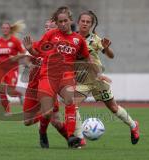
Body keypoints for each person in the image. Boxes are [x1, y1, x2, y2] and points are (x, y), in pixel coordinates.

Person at [23, 6, 107, 148]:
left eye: (65, 21)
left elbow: (88, 59)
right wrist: (30, 49)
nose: (62, 24)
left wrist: (98, 74)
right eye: (60, 21)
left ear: (70, 20)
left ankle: (70, 136)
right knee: (47, 113)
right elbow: (38, 51)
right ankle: (42, 133)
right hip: (48, 76)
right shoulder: (51, 35)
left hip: (66, 77)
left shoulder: (78, 40)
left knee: (70, 102)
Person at [75, 10, 139, 144]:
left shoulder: (95, 40)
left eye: (88, 22)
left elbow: (111, 56)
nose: (85, 24)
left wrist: (107, 48)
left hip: (98, 79)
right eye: (83, 21)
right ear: (78, 22)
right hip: (82, 80)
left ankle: (133, 126)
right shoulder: (71, 38)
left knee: (113, 108)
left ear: (91, 25)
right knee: (72, 106)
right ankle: (80, 138)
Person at [0, 21, 26, 115]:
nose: (5, 30)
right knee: (1, 90)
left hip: (12, 69)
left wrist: (15, 57)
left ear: (10, 29)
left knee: (11, 91)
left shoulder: (15, 41)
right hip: (1, 69)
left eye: (7, 28)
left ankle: (20, 95)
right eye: (3, 28)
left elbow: (23, 53)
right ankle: (7, 111)